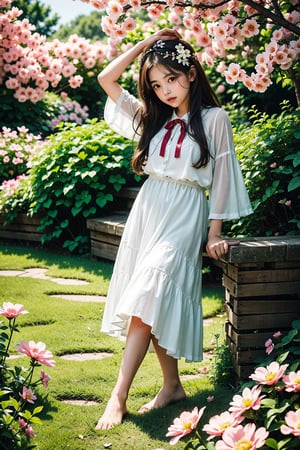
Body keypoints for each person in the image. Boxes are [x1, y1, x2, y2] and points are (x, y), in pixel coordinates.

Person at [96, 28, 252, 430]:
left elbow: (221, 179)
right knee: (152, 299)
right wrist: (146, 47)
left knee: (150, 289)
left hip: (186, 213)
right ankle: (172, 386)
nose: (166, 90)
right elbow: (106, 79)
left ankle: (119, 394)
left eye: (172, 78)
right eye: (156, 83)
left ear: (192, 73)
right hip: (149, 209)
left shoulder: (214, 119)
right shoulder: (154, 120)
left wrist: (214, 232)